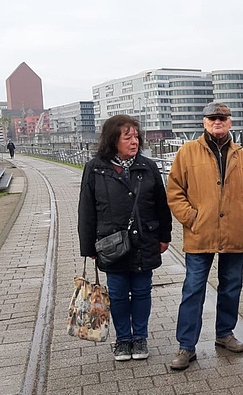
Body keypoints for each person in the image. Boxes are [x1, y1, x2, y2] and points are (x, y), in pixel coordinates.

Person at [166, 102, 243, 370]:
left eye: (223, 118)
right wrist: (192, 217)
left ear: (230, 122)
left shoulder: (242, 155)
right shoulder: (188, 152)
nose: (217, 122)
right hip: (200, 233)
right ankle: (186, 345)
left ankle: (224, 334)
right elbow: (174, 191)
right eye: (212, 118)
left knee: (231, 286)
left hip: (235, 233)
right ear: (204, 122)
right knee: (193, 289)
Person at [78, 115, 172, 361]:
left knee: (142, 291)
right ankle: (123, 340)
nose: (134, 141)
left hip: (144, 240)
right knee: (118, 293)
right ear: (113, 140)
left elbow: (162, 205)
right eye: (127, 137)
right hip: (111, 244)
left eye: (136, 137)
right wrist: (88, 246)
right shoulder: (95, 168)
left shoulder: (148, 166)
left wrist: (165, 236)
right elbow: (86, 210)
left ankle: (139, 338)